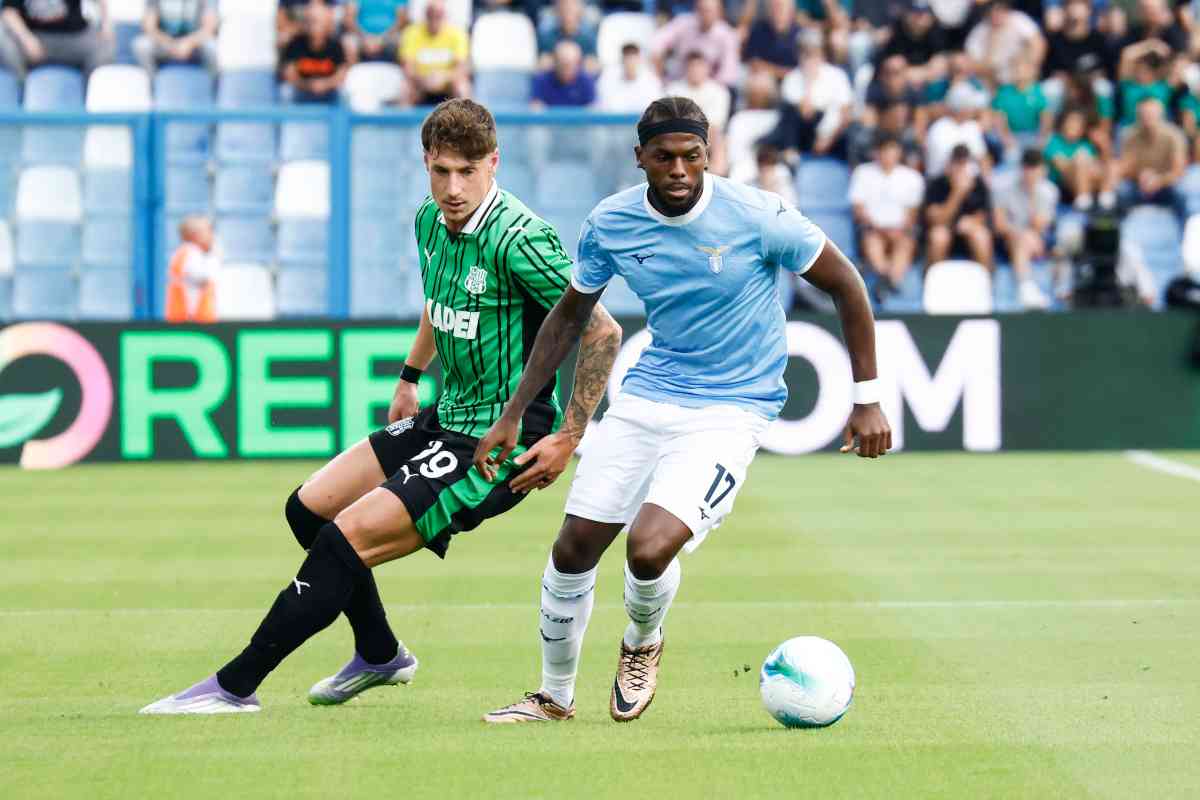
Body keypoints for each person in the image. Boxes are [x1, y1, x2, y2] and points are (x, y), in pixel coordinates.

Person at [139, 99, 623, 715]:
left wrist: (569, 436)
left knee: (342, 541)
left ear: (493, 163)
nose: (453, 188)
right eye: (441, 171)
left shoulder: (522, 239)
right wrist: (410, 375)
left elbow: (601, 330)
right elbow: (440, 301)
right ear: (426, 163)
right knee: (308, 509)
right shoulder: (429, 220)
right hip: (446, 414)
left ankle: (234, 687)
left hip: (496, 442)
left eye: (468, 171)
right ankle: (379, 652)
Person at [479, 96, 890, 724]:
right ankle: (553, 697)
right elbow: (568, 317)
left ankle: (642, 642)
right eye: (664, 156)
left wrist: (867, 398)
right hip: (649, 393)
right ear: (640, 157)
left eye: (692, 156)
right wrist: (515, 413)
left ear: (709, 154)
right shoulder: (611, 223)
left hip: (732, 407)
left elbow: (847, 283)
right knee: (572, 549)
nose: (678, 169)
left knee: (647, 549)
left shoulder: (758, 216)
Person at [849, 134, 925, 295]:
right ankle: (888, 280)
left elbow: (912, 214)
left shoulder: (912, 177)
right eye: (884, 150)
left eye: (893, 150)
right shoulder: (863, 172)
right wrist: (879, 228)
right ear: (876, 152)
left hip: (900, 231)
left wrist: (897, 230)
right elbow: (858, 208)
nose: (888, 155)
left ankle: (886, 282)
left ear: (899, 152)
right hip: (872, 230)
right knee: (872, 241)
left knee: (906, 244)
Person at [992, 148, 1055, 309]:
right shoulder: (1003, 187)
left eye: (1035, 168)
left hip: (1038, 240)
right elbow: (999, 225)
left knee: (1027, 238)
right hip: (1009, 239)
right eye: (1028, 167)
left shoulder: (1049, 191)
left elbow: (1039, 226)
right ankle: (1026, 287)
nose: (1030, 173)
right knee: (1022, 238)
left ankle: (1026, 286)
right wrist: (1018, 233)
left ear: (1042, 170)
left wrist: (1032, 193)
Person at [0, 0, 115, 80]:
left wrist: (107, 25)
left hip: (74, 38)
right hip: (35, 39)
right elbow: (8, 12)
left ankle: (89, 95)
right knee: (4, 40)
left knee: (105, 46)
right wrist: (27, 39)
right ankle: (21, 88)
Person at [1117, 95, 1189, 220]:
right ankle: (1120, 228)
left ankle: (1184, 228)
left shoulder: (1175, 135)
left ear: (1161, 115)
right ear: (1138, 116)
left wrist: (1159, 180)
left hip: (1166, 184)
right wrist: (1140, 177)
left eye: (1151, 114)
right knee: (1122, 191)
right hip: (1139, 184)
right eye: (1143, 114)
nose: (1147, 118)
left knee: (1181, 192)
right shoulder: (1129, 135)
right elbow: (1124, 168)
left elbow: (1178, 170)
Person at [923, 144, 994, 268]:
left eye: (964, 163)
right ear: (949, 164)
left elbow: (984, 216)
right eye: (957, 163)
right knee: (938, 236)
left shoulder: (978, 184)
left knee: (981, 236)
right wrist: (957, 193)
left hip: (969, 233)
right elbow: (935, 220)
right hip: (945, 230)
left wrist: (972, 222)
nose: (960, 168)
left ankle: (986, 276)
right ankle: (934, 276)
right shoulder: (936, 184)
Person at [650, 0, 740, 88]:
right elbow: (656, 43)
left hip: (710, 87)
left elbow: (728, 73)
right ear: (696, 9)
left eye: (709, 11)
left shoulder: (728, 35)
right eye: (701, 9)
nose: (705, 14)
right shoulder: (682, 23)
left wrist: (707, 87)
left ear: (720, 13)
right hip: (677, 82)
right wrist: (659, 72)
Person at [1043, 107, 1116, 210]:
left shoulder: (1085, 144)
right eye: (1071, 122)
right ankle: (1084, 200)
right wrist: (1079, 162)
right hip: (1063, 187)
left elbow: (1096, 168)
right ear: (1064, 124)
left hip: (1089, 185)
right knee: (1081, 159)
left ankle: (1105, 200)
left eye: (1078, 124)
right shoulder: (1054, 141)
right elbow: (1062, 167)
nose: (1074, 126)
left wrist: (1104, 145)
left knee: (1112, 165)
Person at [399, 0, 470, 105]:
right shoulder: (411, 33)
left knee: (462, 87)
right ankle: (404, 115)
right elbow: (407, 67)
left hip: (448, 85)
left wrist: (444, 78)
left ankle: (465, 115)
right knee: (405, 88)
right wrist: (424, 79)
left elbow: (461, 68)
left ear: (445, 15)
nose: (434, 18)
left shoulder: (457, 34)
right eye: (431, 13)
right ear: (425, 14)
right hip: (420, 83)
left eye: (438, 14)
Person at [964, 0, 1046, 85]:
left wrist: (1028, 68)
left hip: (1021, 76)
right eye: (992, 11)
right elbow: (973, 64)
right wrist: (992, 46)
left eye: (1000, 10)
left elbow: (1038, 44)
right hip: (993, 79)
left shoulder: (1019, 19)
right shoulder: (980, 31)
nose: (996, 15)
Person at [281, 3, 348, 103]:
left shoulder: (335, 45)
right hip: (301, 90)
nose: (313, 26)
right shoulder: (295, 44)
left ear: (326, 23)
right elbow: (289, 73)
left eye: (317, 22)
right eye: (310, 21)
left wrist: (324, 85)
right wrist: (308, 85)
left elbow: (341, 74)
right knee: (286, 91)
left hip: (329, 92)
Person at [133, 0, 219, 75]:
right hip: (164, 44)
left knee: (211, 46)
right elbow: (150, 27)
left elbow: (209, 27)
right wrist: (170, 44)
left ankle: (213, 84)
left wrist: (189, 43)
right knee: (142, 45)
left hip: (195, 46)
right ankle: (153, 82)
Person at [164, 216, 219, 324]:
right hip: (194, 319)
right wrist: (212, 254)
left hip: (182, 318)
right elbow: (205, 279)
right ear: (195, 235)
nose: (212, 236)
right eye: (208, 231)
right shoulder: (193, 254)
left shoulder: (181, 253)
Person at [739, 0, 801, 80]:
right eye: (774, 7)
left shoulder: (800, 35)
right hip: (762, 81)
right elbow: (752, 62)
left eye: (781, 7)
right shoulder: (758, 30)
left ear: (791, 10)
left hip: (792, 83)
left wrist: (770, 70)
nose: (777, 11)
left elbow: (800, 71)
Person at [596, 42, 663, 113]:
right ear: (622, 60)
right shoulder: (608, 80)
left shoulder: (651, 82)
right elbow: (606, 108)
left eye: (633, 57)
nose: (630, 61)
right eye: (627, 57)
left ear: (639, 59)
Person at [536, 0, 599, 74]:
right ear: (556, 9)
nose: (568, 10)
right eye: (563, 6)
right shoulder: (546, 35)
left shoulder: (588, 36)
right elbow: (542, 64)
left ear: (580, 9)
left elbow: (593, 65)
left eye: (572, 6)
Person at [531, 39, 596, 108]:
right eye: (562, 64)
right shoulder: (542, 80)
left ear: (578, 63)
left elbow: (592, 108)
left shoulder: (587, 81)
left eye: (570, 64)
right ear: (555, 61)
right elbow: (536, 105)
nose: (566, 69)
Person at [342, 0, 407, 63]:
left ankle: (400, 69)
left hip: (391, 34)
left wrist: (383, 38)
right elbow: (349, 18)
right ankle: (353, 69)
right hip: (361, 35)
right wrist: (365, 37)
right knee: (350, 42)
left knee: (405, 41)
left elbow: (401, 19)